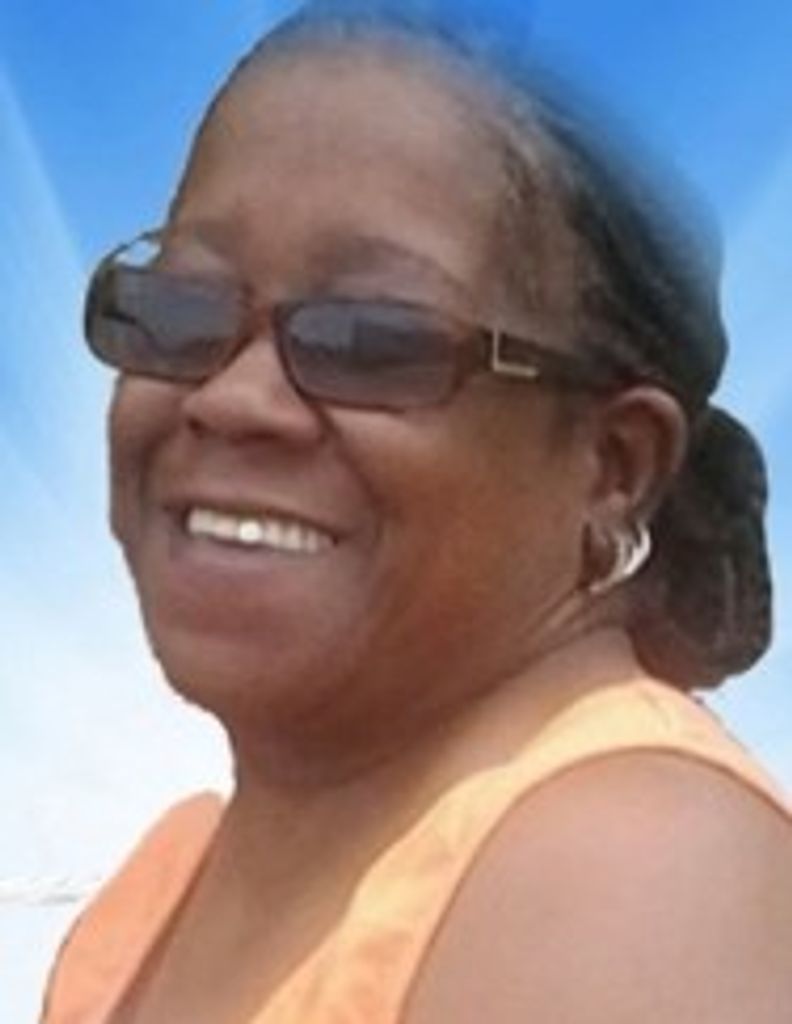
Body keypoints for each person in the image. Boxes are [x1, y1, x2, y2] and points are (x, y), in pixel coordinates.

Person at [42, 3, 792, 1022]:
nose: (234, 397)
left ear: (614, 466)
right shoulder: (162, 889)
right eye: (178, 307)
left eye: (373, 339)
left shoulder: (631, 871)